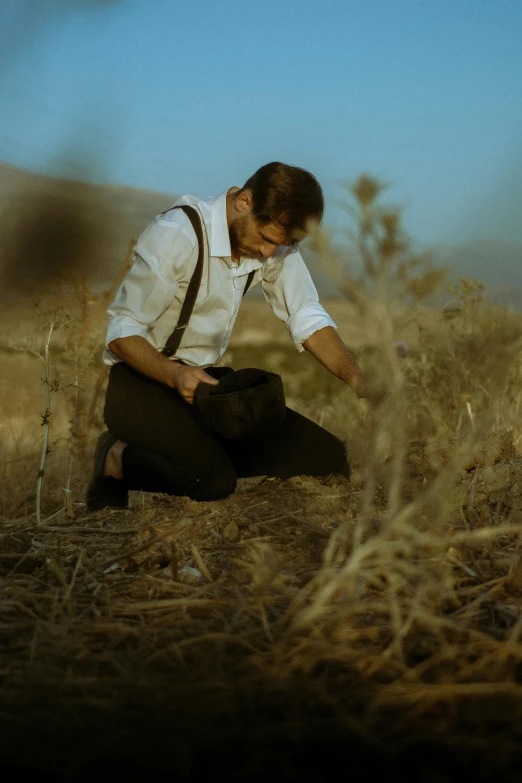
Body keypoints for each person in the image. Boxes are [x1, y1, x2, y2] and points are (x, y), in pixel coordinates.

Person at [86, 162, 370, 511]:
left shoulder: (274, 243)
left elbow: (306, 315)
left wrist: (360, 382)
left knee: (326, 456)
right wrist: (175, 374)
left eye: (283, 244)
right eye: (267, 239)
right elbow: (121, 332)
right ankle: (115, 458)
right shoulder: (178, 234)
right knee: (213, 481)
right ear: (244, 202)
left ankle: (205, 450)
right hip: (141, 382)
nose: (270, 253)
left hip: (206, 387)